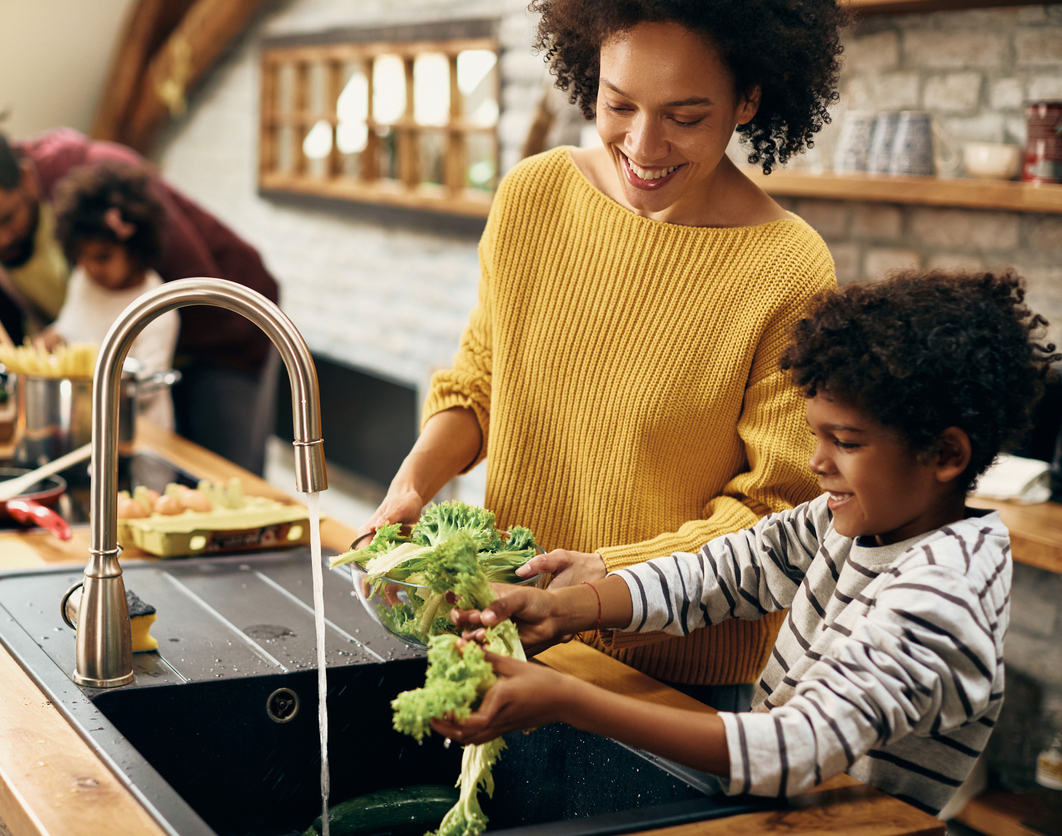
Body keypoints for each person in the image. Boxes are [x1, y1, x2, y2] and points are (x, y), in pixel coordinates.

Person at [437, 269, 1055, 815]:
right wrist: (564, 606)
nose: (816, 463)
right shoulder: (857, 522)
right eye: (817, 435)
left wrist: (567, 699)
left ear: (945, 454)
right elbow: (731, 570)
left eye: (847, 441)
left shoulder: (941, 596)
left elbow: (795, 746)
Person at [363, 0, 847, 697]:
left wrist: (606, 580)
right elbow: (480, 384)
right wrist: (413, 483)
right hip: (509, 643)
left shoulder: (789, 269)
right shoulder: (536, 196)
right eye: (618, 105)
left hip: (675, 686)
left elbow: (774, 511)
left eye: (685, 118)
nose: (644, 148)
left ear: (749, 100)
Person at [0, 107, 279, 474]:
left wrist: (140, 372)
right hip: (132, 365)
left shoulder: (100, 182)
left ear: (27, 180)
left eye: (6, 218)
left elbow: (197, 288)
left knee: (218, 475)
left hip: (225, 332)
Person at [49, 163, 179, 431]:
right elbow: (69, 327)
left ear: (135, 247)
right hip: (86, 424)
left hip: (139, 433)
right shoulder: (82, 280)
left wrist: (89, 381)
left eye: (103, 257)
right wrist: (52, 338)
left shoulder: (157, 307)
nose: (92, 267)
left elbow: (146, 390)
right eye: (82, 257)